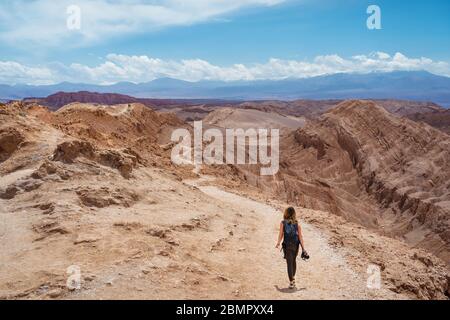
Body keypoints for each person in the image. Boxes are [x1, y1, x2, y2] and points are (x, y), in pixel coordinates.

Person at [275, 206, 308, 289]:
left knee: (289, 263)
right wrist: (303, 248)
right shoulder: (297, 223)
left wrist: (278, 243)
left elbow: (281, 234)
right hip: (295, 245)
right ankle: (293, 278)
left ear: (286, 213)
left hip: (287, 245)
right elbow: (300, 237)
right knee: (293, 261)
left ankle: (291, 281)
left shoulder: (283, 222)